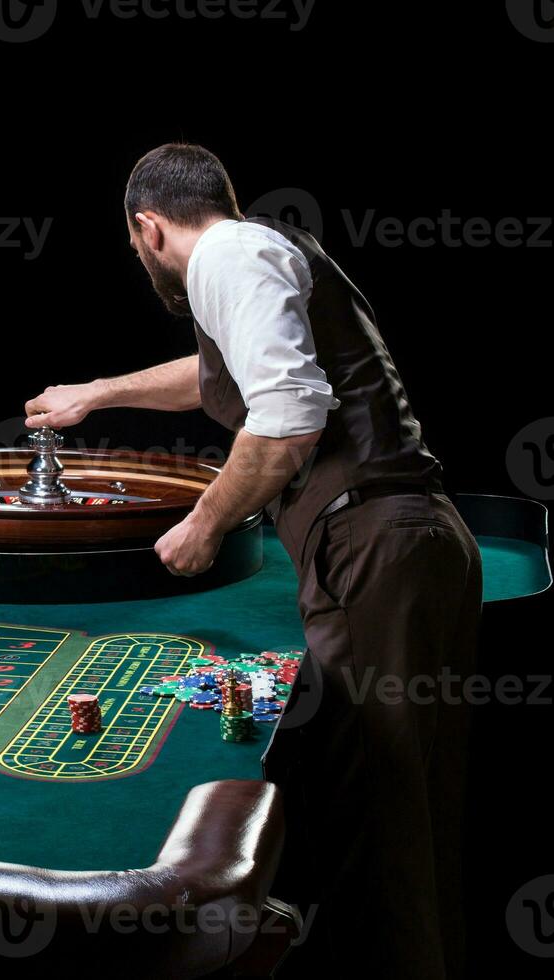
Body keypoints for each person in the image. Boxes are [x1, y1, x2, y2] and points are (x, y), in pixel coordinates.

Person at [24, 144, 480, 977]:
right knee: (409, 822)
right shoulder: (256, 251)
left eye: (135, 248)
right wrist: (97, 393)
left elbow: (289, 415)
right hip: (408, 542)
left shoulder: (228, 256)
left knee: (373, 823)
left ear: (147, 227)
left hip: (374, 546)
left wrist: (203, 523)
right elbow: (217, 377)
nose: (141, 263)